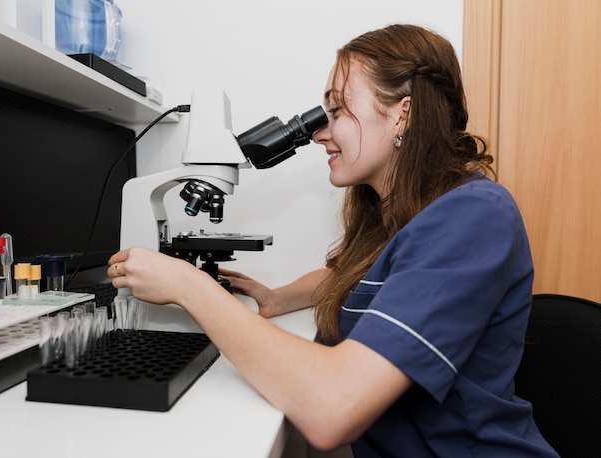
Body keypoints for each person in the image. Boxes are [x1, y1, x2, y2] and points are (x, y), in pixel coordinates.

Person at [108, 24, 558, 457]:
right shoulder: (403, 219)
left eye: (337, 110)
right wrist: (279, 299)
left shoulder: (475, 215)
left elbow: (331, 409)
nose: (320, 133)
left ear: (404, 112)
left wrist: (190, 287)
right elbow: (363, 276)